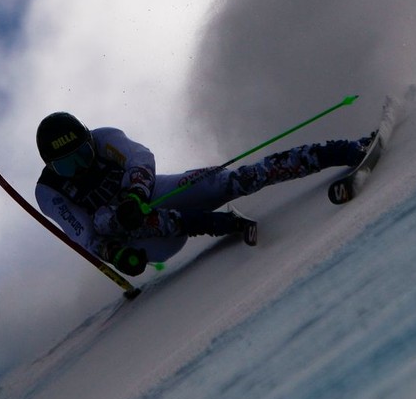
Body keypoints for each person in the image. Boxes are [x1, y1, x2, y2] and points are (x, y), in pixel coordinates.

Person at [34, 112, 373, 276]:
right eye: (67, 166)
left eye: (83, 156)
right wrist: (118, 257)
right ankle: (212, 222)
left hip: (156, 193)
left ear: (91, 143)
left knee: (235, 180)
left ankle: (343, 150)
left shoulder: (105, 137)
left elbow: (141, 159)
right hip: (144, 240)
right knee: (108, 219)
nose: (80, 168)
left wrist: (136, 194)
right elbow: (87, 236)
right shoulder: (49, 191)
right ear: (52, 167)